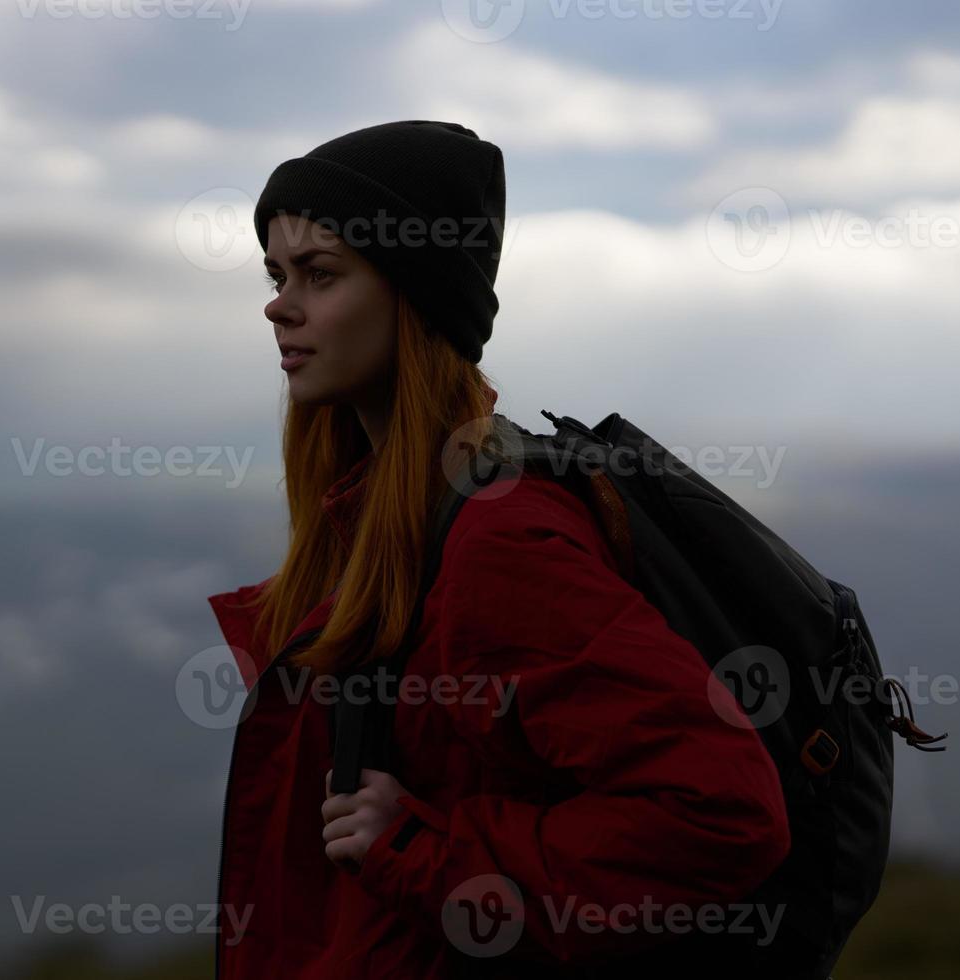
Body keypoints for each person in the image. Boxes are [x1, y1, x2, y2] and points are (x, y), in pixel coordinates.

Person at [206, 120, 790, 978]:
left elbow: (720, 812)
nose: (277, 305)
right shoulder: (378, 521)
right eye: (276, 273)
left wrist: (425, 849)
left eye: (320, 274)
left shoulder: (499, 538)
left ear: (416, 297)